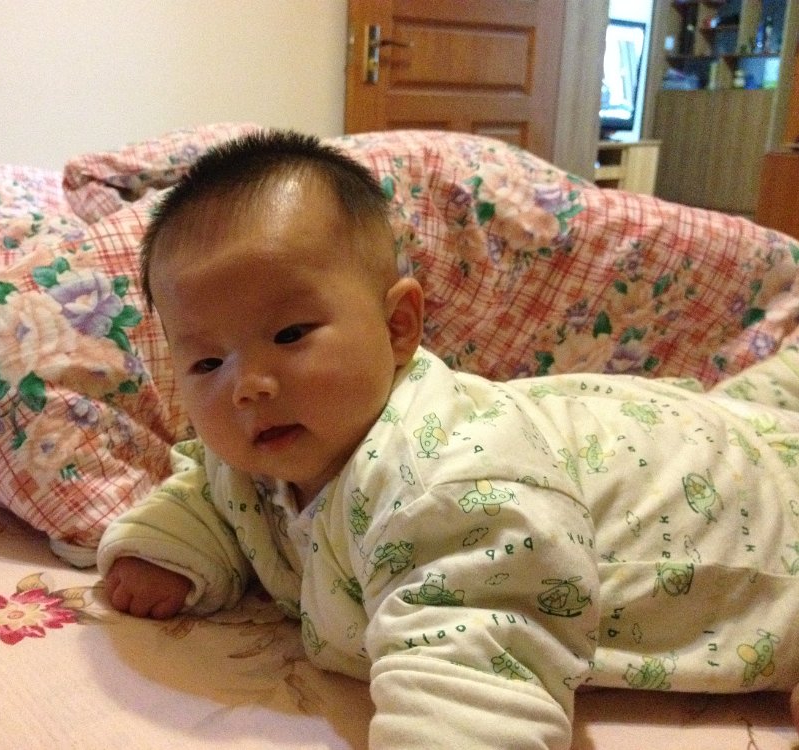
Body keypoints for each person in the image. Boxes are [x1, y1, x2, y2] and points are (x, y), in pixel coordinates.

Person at [97, 130, 799, 749]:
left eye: (289, 334)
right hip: (638, 426)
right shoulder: (253, 458)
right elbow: (212, 497)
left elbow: (473, 659)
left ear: (398, 327)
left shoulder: (447, 485)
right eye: (206, 363)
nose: (247, 385)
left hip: (742, 516)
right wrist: (169, 548)